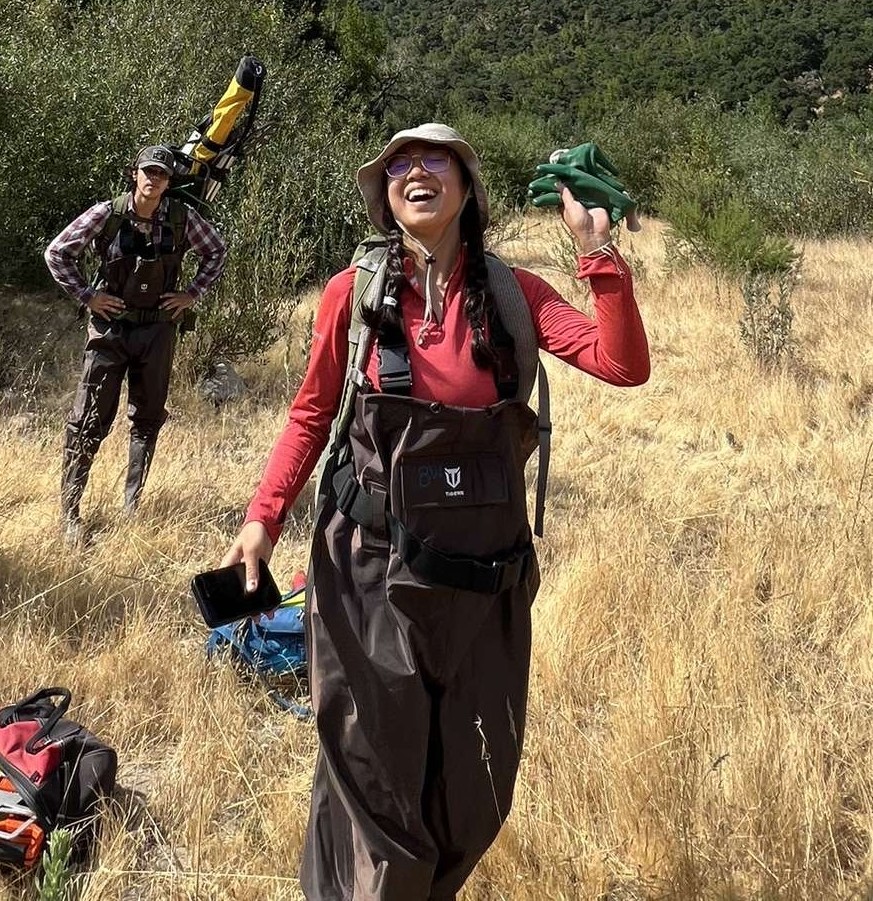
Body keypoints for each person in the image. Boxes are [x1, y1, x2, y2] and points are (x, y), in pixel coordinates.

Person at [221, 123, 650, 900]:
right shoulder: (352, 294)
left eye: (434, 160)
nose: (414, 171)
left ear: (466, 188)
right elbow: (311, 412)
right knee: (374, 787)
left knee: (473, 793)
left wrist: (598, 252)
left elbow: (622, 365)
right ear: (385, 197)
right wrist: (264, 515)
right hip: (367, 568)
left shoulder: (514, 295)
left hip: (485, 577)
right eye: (398, 165)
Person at [45, 144, 227, 540]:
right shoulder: (106, 214)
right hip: (109, 332)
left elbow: (217, 252)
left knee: (147, 421)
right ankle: (71, 514)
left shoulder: (182, 218)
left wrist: (191, 294)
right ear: (135, 174)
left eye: (161, 174)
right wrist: (88, 297)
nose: (153, 179)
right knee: (88, 420)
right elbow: (58, 253)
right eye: (148, 172)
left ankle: (131, 506)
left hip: (157, 332)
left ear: (168, 181)